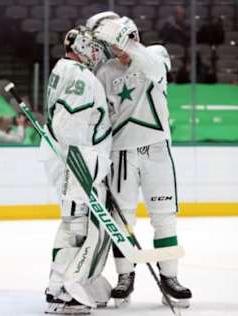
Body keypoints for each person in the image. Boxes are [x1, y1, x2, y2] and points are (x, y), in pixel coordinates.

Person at [87, 13, 192, 308]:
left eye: (117, 41)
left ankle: (169, 278)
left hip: (157, 149)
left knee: (165, 218)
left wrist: (126, 41)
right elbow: (100, 115)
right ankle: (125, 277)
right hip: (121, 154)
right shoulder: (104, 71)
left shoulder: (154, 54)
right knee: (123, 222)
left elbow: (155, 69)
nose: (116, 50)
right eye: (111, 43)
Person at [41, 25, 113, 315]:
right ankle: (62, 290)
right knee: (76, 227)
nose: (96, 51)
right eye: (92, 44)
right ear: (80, 45)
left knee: (75, 225)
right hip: (76, 161)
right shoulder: (80, 76)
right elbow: (67, 125)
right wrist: (81, 165)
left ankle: (63, 285)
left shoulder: (65, 69)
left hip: (73, 159)